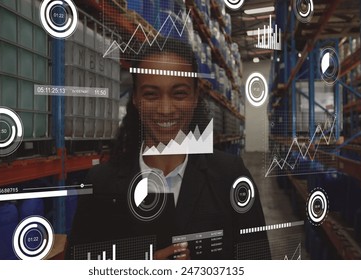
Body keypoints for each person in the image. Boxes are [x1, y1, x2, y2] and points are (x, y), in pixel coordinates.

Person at [66, 39, 269, 260]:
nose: (165, 109)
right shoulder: (101, 183)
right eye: (151, 94)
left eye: (179, 93)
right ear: (135, 98)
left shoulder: (230, 177)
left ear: (194, 96)